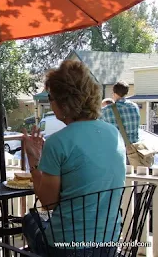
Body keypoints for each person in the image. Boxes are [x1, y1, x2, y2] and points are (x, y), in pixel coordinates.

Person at [22, 60, 126, 256]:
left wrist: (33, 160)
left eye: (50, 97)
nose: (49, 102)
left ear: (63, 101)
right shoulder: (114, 134)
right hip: (109, 244)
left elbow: (48, 203)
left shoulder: (59, 142)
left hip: (67, 248)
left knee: (30, 220)